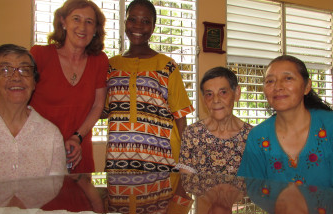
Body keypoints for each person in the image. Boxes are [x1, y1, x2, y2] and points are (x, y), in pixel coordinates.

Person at [237, 55, 333, 193]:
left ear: (307, 86)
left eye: (288, 78)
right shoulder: (258, 136)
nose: (277, 86)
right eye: (270, 81)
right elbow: (255, 192)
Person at [104, 0, 194, 172]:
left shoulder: (167, 66)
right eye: (133, 19)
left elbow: (180, 117)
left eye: (146, 21)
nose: (138, 26)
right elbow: (102, 109)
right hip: (119, 160)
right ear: (125, 23)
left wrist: (185, 162)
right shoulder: (110, 66)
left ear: (153, 27)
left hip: (162, 160)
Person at [0, 44, 66, 184]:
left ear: (34, 82)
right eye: (5, 70)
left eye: (25, 70)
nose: (17, 77)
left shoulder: (51, 134)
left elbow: (57, 190)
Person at [30, 0, 108, 173]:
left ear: (96, 29)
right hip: (39, 150)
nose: (82, 27)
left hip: (78, 151)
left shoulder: (99, 60)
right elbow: (22, 105)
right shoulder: (39, 55)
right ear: (63, 22)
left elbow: (98, 105)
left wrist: (77, 138)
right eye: (76, 19)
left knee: (80, 199)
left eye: (89, 22)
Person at [177, 67, 253, 175]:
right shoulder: (192, 134)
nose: (216, 100)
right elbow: (187, 182)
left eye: (223, 92)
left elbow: (257, 184)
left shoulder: (252, 136)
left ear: (237, 93)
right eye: (209, 94)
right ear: (204, 100)